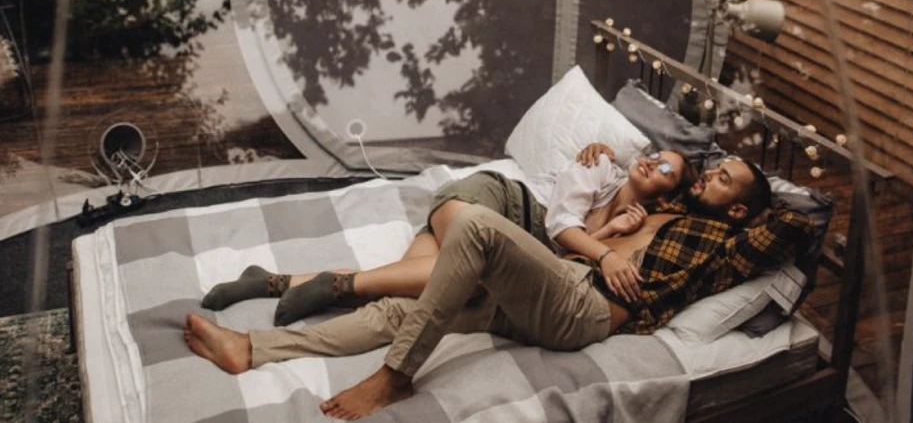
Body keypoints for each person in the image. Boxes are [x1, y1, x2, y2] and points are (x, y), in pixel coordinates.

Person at [184, 153, 814, 419]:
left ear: (740, 210)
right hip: (561, 283)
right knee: (406, 306)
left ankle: (395, 376)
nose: (709, 175)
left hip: (590, 310)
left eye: (724, 179)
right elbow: (642, 164)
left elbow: (794, 228)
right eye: (712, 167)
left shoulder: (725, 244)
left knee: (478, 230)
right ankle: (254, 348)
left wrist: (780, 191)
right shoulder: (668, 206)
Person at [200, 144, 697, 325]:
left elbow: (566, 266)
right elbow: (558, 227)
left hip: (497, 234)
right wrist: (604, 247)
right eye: (656, 155)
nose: (653, 162)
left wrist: (610, 232)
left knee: (400, 289)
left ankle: (269, 280)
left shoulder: (638, 230)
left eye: (666, 170)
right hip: (495, 202)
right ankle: (333, 285)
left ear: (667, 195)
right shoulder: (601, 163)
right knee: (465, 280)